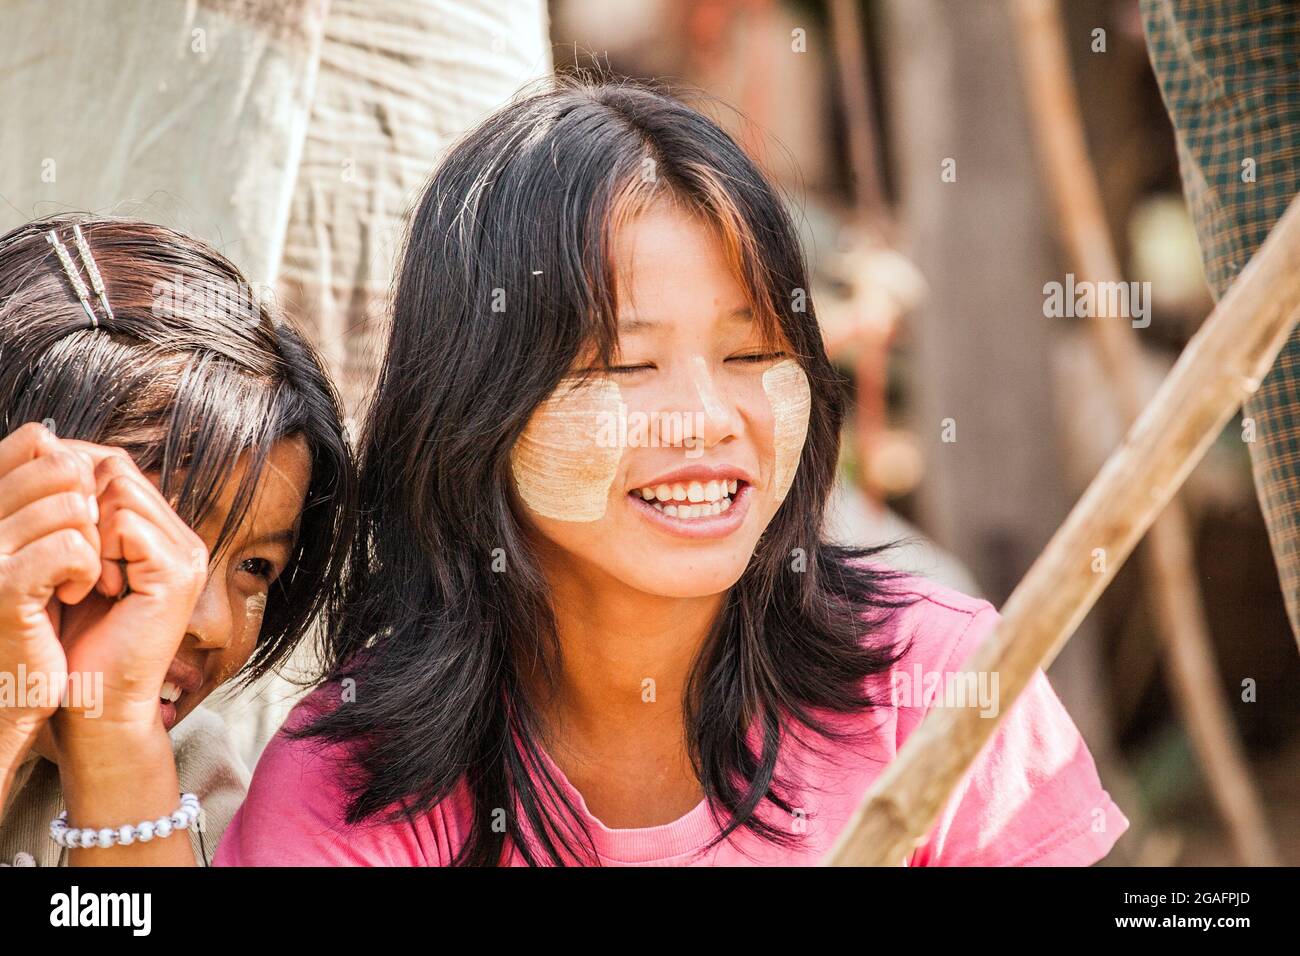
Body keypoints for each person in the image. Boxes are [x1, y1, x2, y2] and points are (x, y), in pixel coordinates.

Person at [217, 80, 1129, 866]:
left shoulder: (935, 682)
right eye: (625, 364)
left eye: (750, 352)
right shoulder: (354, 784)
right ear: (474, 407)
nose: (709, 417)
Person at [0, 215, 354, 865]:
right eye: (147, 536)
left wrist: (115, 743)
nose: (212, 622)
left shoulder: (190, 778)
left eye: (255, 565)